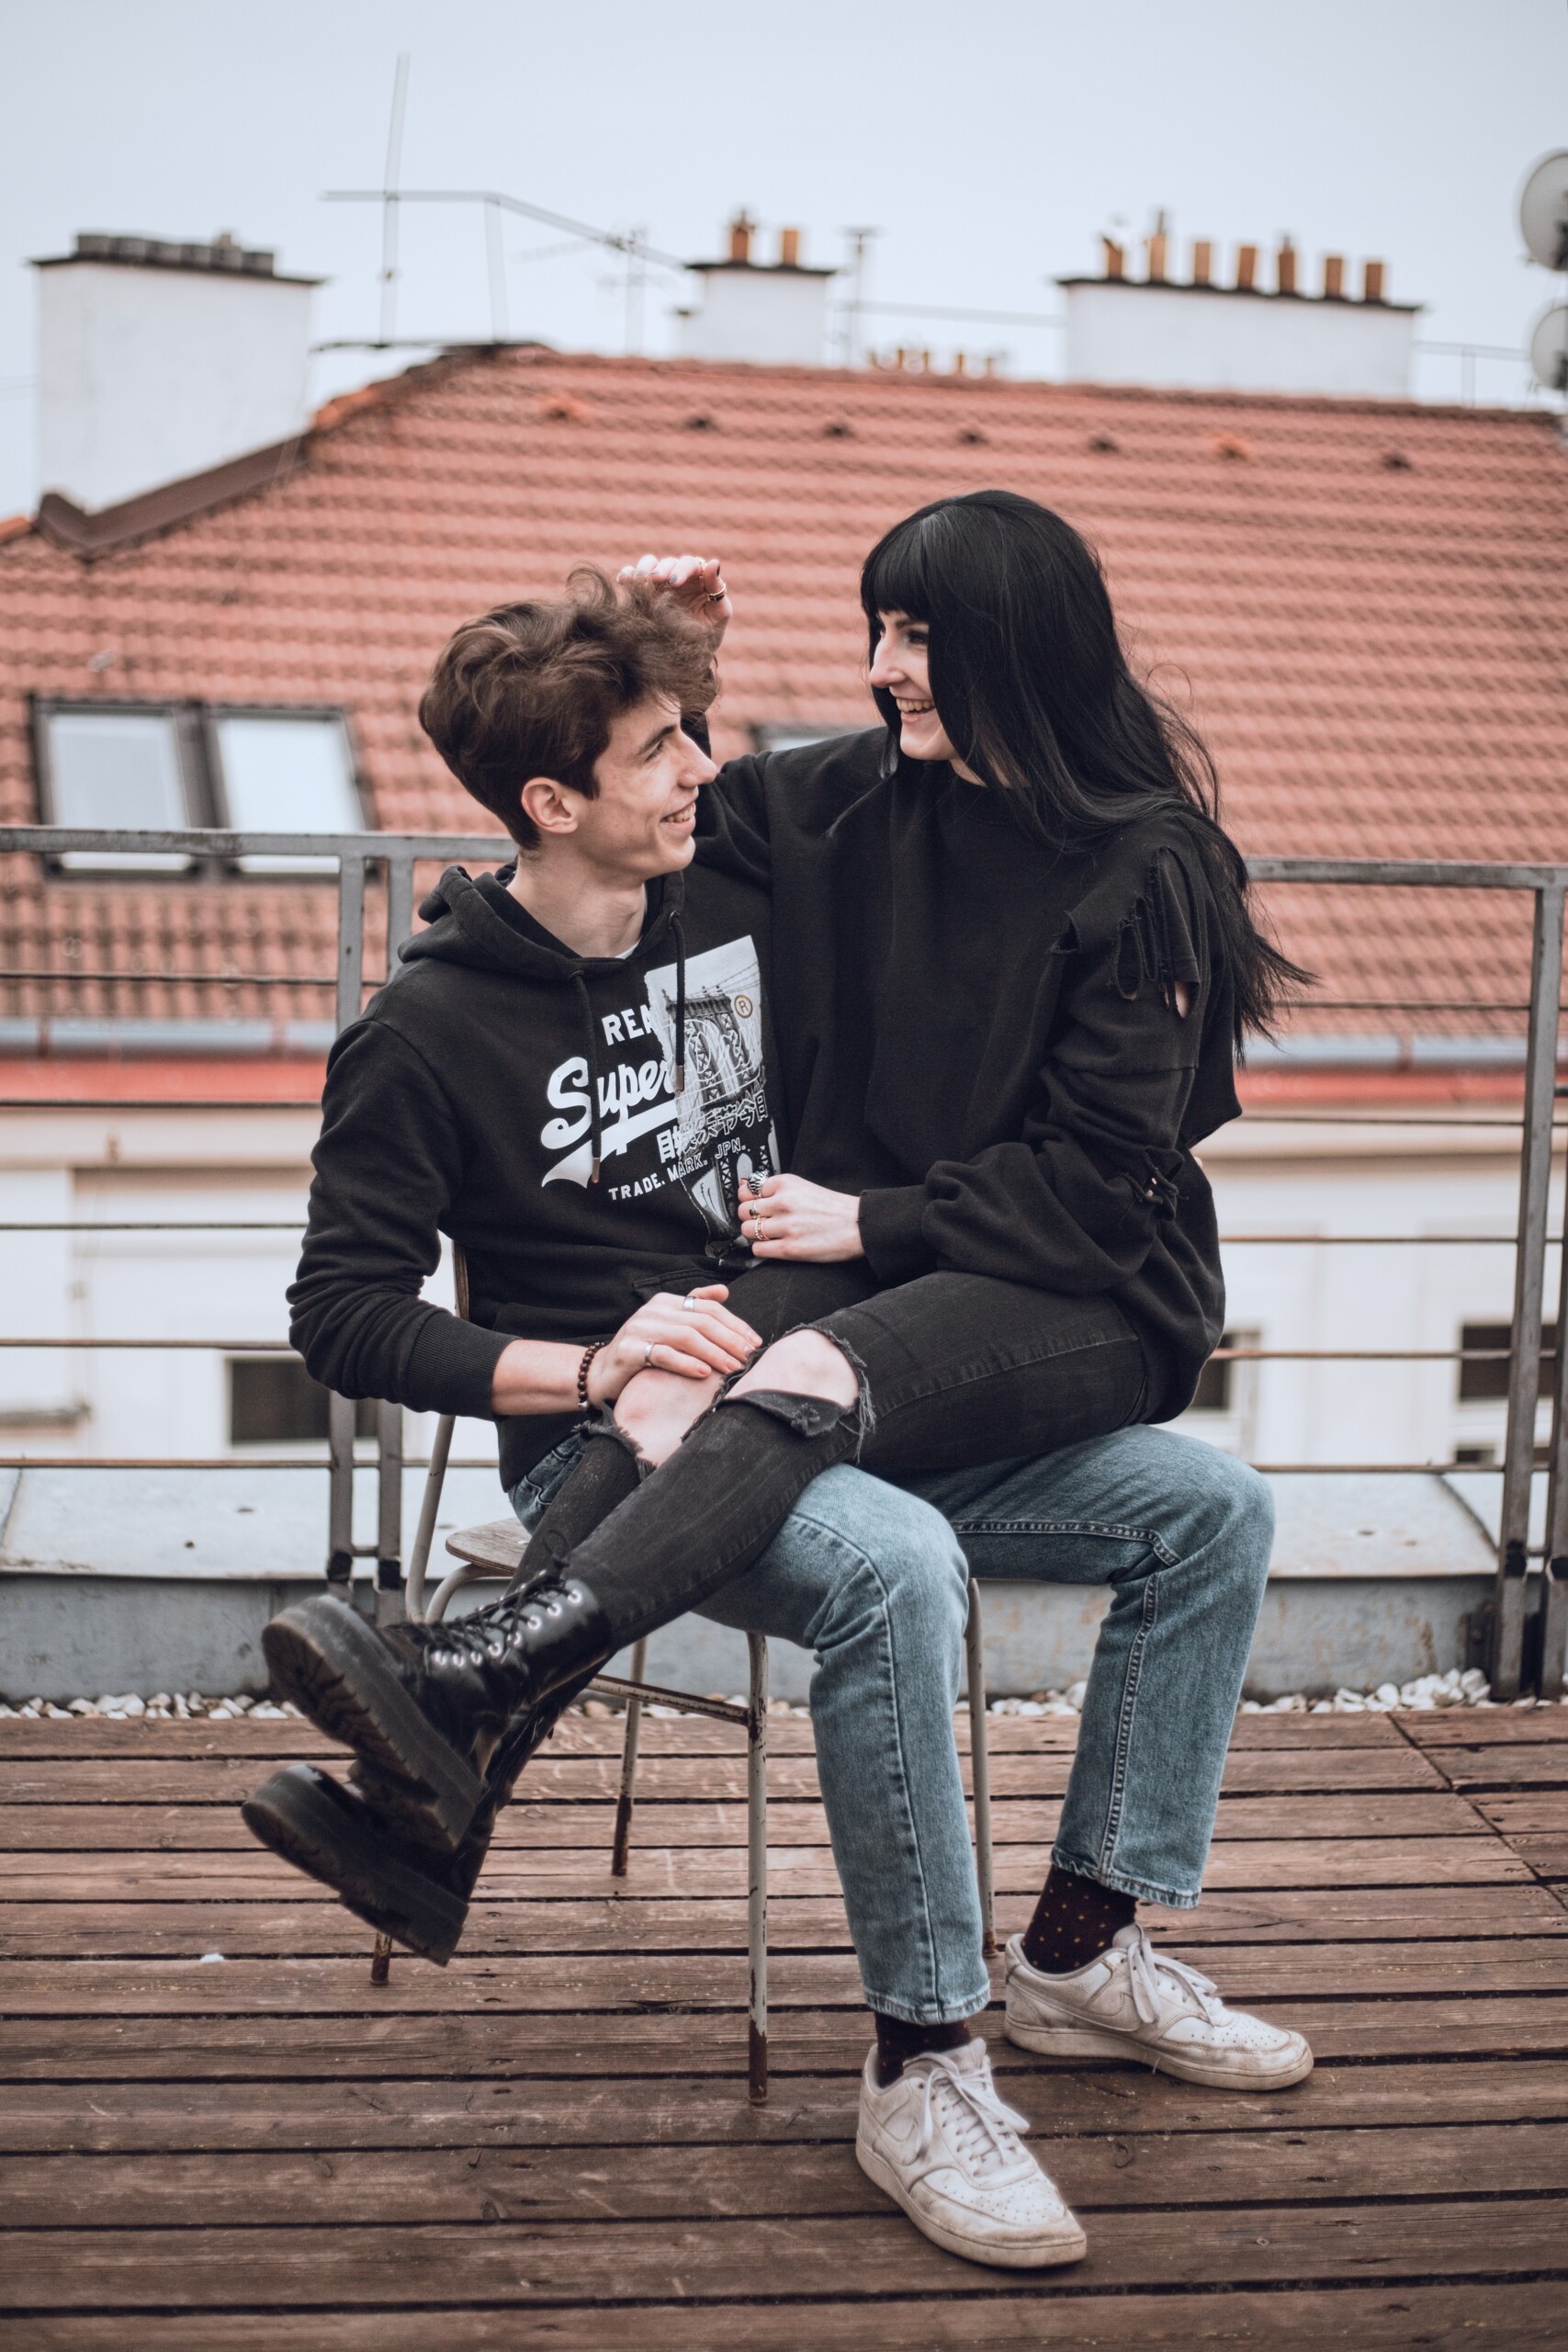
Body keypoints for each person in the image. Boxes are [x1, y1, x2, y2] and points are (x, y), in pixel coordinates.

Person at [259, 497, 1317, 2262]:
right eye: (665, 750)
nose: (706, 770)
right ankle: (925, 2061)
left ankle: (1081, 1952)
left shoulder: (727, 908)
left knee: (1209, 1507)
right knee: (896, 1567)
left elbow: (817, 817)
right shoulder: (427, 1033)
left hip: (831, 1373)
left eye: (698, 743)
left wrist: (671, 659)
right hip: (614, 1435)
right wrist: (588, 1362)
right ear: (554, 805)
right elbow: (342, 1316)